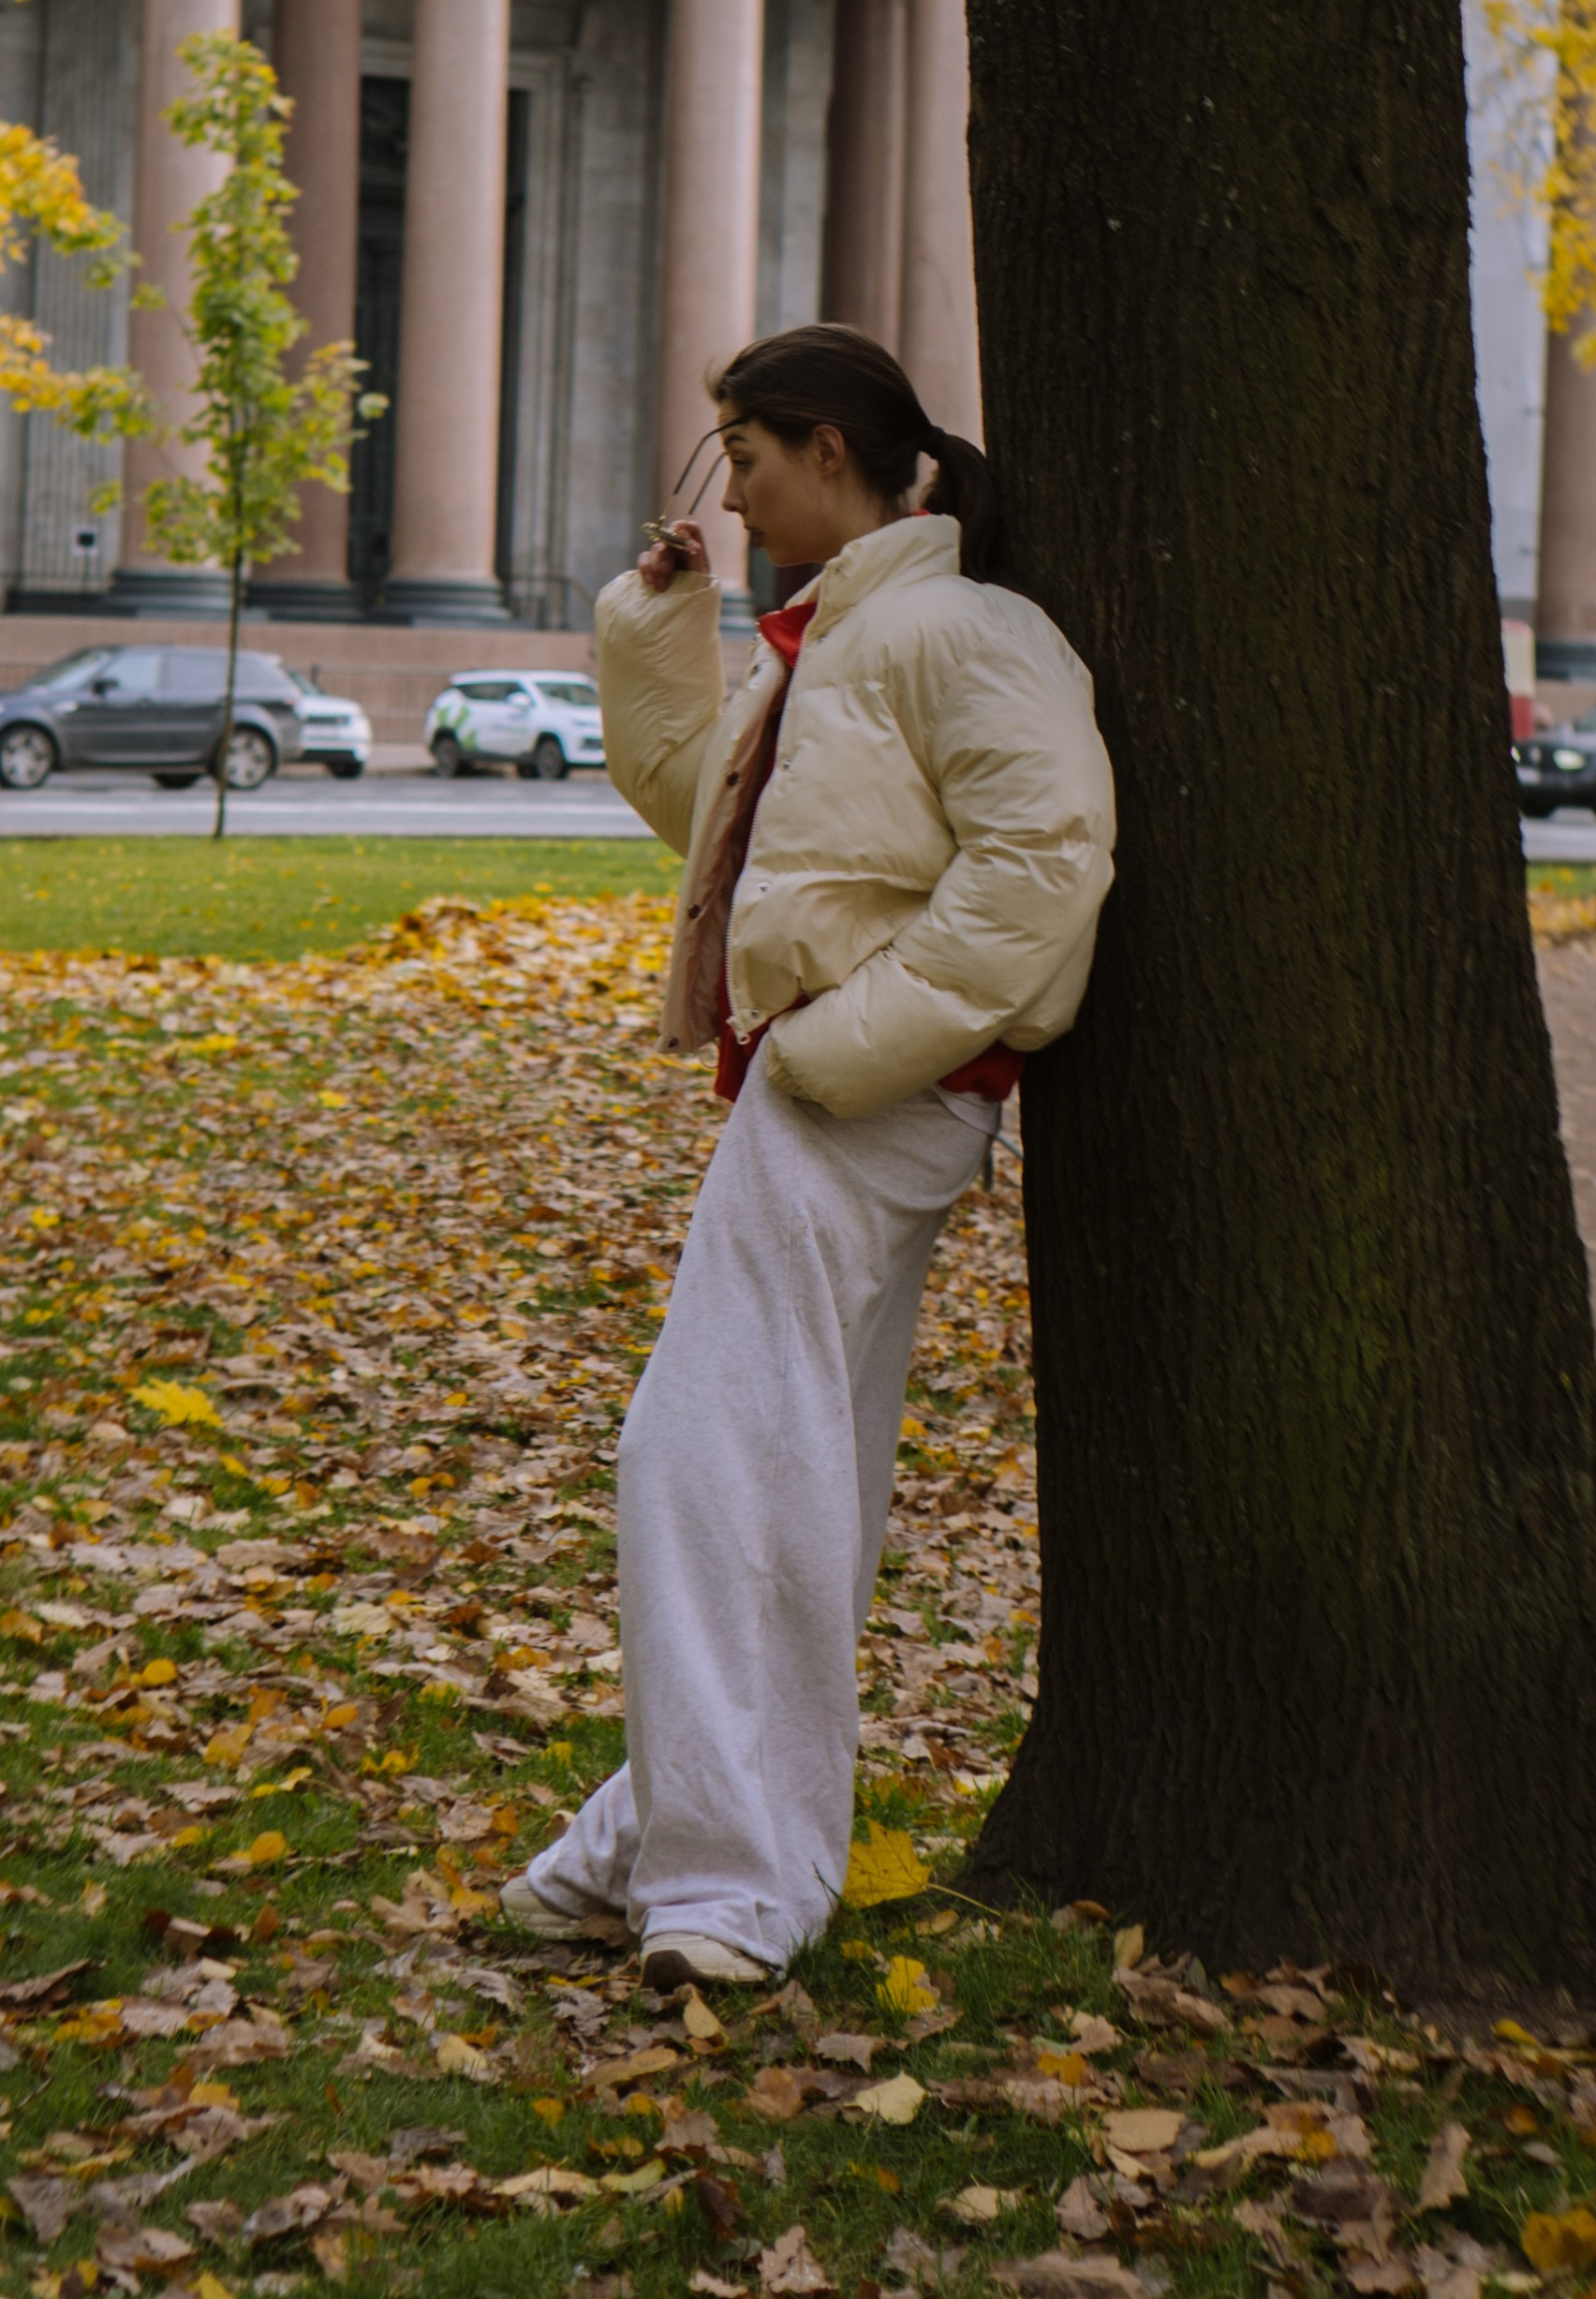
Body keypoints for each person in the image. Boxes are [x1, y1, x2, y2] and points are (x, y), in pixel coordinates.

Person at [502, 323, 1115, 1989]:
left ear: (831, 450)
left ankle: (723, 1885)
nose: (734, 485)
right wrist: (662, 627)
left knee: (693, 1464)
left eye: (747, 456)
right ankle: (659, 1839)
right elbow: (723, 827)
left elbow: (1045, 860)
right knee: (779, 1478)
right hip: (841, 1088)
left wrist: (851, 1046)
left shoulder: (962, 631)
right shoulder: (834, 641)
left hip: (869, 1093)